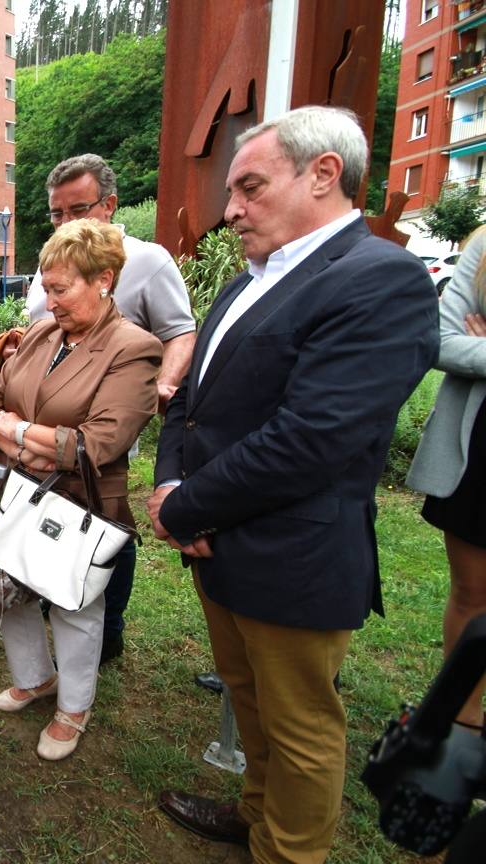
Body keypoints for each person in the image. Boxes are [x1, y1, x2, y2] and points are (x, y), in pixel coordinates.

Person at [148, 106, 438, 863]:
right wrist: (173, 484)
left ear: (323, 173)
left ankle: (289, 853)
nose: (231, 209)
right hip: (216, 540)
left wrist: (184, 504)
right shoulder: (254, 277)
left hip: (292, 551)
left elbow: (314, 440)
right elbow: (191, 402)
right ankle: (255, 819)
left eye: (249, 187)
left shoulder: (381, 278)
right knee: (249, 701)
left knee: (300, 723)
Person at [0, 219, 160, 761]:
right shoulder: (39, 333)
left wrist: (17, 431)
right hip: (13, 487)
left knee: (74, 604)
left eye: (60, 289)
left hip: (78, 503)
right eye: (45, 288)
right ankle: (35, 678)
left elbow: (98, 442)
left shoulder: (134, 348)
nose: (49, 302)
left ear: (104, 279)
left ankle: (74, 707)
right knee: (9, 585)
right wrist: (18, 438)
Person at [26, 154, 196, 665]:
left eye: (77, 209)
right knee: (48, 509)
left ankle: (108, 626)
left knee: (103, 520)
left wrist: (159, 387)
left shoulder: (147, 259)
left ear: (110, 204)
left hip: (103, 420)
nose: (65, 222)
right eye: (56, 214)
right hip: (43, 418)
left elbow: (180, 331)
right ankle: (52, 597)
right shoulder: (51, 260)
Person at [407, 225, 486, 730]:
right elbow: (442, 341)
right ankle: (463, 718)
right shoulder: (483, 248)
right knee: (473, 592)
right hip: (479, 444)